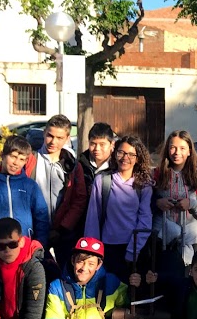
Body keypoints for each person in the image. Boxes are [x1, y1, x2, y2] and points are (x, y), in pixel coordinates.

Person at [84, 135, 154, 281]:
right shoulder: (102, 180)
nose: (125, 158)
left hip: (134, 249)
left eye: (131, 154)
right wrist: (92, 251)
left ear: (138, 158)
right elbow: (93, 218)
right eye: (121, 152)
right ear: (115, 154)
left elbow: (145, 219)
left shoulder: (144, 185)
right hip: (108, 248)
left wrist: (133, 251)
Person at [24, 115, 88, 267]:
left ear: (67, 138)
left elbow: (79, 199)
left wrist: (63, 227)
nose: (53, 142)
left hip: (63, 232)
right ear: (44, 133)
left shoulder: (73, 166)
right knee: (33, 272)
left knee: (67, 271)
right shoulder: (29, 160)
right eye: (50, 135)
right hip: (33, 230)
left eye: (59, 138)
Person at [153, 130, 197, 268]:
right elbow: (144, 205)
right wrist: (157, 203)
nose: (177, 152)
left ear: (189, 151)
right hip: (161, 243)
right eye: (173, 147)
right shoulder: (156, 175)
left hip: (189, 244)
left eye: (182, 148)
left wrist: (192, 204)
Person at [79, 122, 116, 193]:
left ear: (112, 144)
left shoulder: (117, 166)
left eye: (102, 144)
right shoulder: (81, 164)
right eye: (93, 144)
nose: (97, 149)